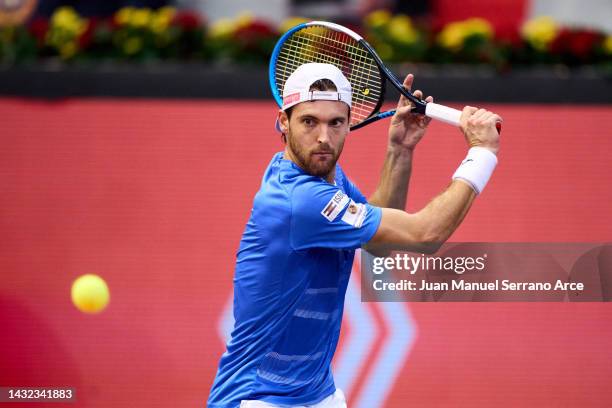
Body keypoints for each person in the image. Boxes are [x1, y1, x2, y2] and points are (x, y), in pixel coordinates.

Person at [207, 63, 501, 408]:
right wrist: (481, 153)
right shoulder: (300, 200)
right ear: (283, 122)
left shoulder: (323, 178)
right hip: (255, 399)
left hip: (318, 394)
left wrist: (400, 150)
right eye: (308, 121)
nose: (323, 137)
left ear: (350, 123)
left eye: (335, 123)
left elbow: (380, 248)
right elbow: (426, 235)